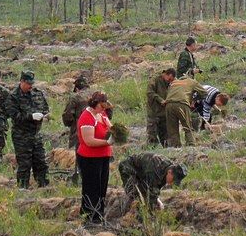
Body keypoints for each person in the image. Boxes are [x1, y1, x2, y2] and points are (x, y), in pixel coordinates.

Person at [6, 71, 50, 188]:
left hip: (36, 134)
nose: (30, 86)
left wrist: (45, 116)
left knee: (40, 161)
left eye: (32, 83)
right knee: (24, 164)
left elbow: (45, 108)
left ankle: (43, 186)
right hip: (21, 135)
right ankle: (22, 188)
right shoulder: (13, 97)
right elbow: (14, 116)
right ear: (22, 81)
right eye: (28, 83)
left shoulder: (37, 94)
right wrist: (31, 116)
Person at [76, 91, 114, 226]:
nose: (103, 109)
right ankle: (90, 217)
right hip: (89, 158)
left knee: (101, 187)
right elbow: (89, 141)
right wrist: (107, 142)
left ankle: (99, 215)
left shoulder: (101, 114)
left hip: (103, 157)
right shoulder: (86, 117)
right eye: (101, 106)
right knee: (91, 188)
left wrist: (117, 133)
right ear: (94, 104)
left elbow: (110, 128)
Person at [118, 153, 187, 216]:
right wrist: (153, 212)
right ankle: (127, 216)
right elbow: (150, 192)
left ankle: (142, 216)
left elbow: (156, 189)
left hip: (141, 173)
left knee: (147, 198)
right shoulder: (153, 170)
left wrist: (157, 200)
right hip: (128, 168)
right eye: (173, 179)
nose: (172, 183)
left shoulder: (168, 168)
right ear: (170, 172)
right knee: (134, 195)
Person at [61, 74, 91, 183]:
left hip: (80, 133)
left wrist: (70, 124)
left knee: (82, 158)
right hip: (98, 133)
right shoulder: (97, 96)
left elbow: (67, 116)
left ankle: (84, 180)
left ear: (77, 88)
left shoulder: (75, 97)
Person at [164, 76, 208, 147]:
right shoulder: (192, 81)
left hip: (168, 105)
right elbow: (204, 93)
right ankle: (191, 145)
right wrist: (194, 100)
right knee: (187, 126)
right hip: (182, 104)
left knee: (172, 129)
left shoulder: (174, 82)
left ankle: (175, 147)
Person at [145, 68, 175, 146]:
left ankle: (166, 150)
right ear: (166, 74)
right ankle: (152, 151)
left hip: (164, 113)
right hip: (154, 112)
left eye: (171, 80)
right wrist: (160, 100)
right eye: (169, 79)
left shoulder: (170, 83)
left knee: (165, 135)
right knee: (152, 135)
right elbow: (149, 93)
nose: (169, 81)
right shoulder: (155, 80)